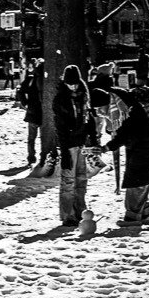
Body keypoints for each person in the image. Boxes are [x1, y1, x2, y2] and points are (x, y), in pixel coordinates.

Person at [105, 88, 149, 226]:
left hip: (142, 152)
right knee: (139, 181)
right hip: (144, 152)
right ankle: (144, 212)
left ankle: (133, 216)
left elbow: (124, 134)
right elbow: (123, 132)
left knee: (137, 183)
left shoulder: (136, 117)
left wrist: (107, 147)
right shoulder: (136, 114)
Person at [53, 63, 97, 226]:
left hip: (82, 142)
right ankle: (67, 214)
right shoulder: (61, 100)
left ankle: (80, 210)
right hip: (69, 144)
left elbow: (89, 117)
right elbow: (60, 127)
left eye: (75, 82)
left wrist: (92, 137)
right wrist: (64, 151)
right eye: (69, 83)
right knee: (68, 180)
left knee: (81, 179)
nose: (73, 86)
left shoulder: (83, 96)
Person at [16, 58, 44, 166]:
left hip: (32, 111)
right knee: (43, 137)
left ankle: (31, 157)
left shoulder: (31, 79)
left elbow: (20, 90)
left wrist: (25, 103)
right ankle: (41, 157)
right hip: (42, 112)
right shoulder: (45, 80)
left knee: (32, 137)